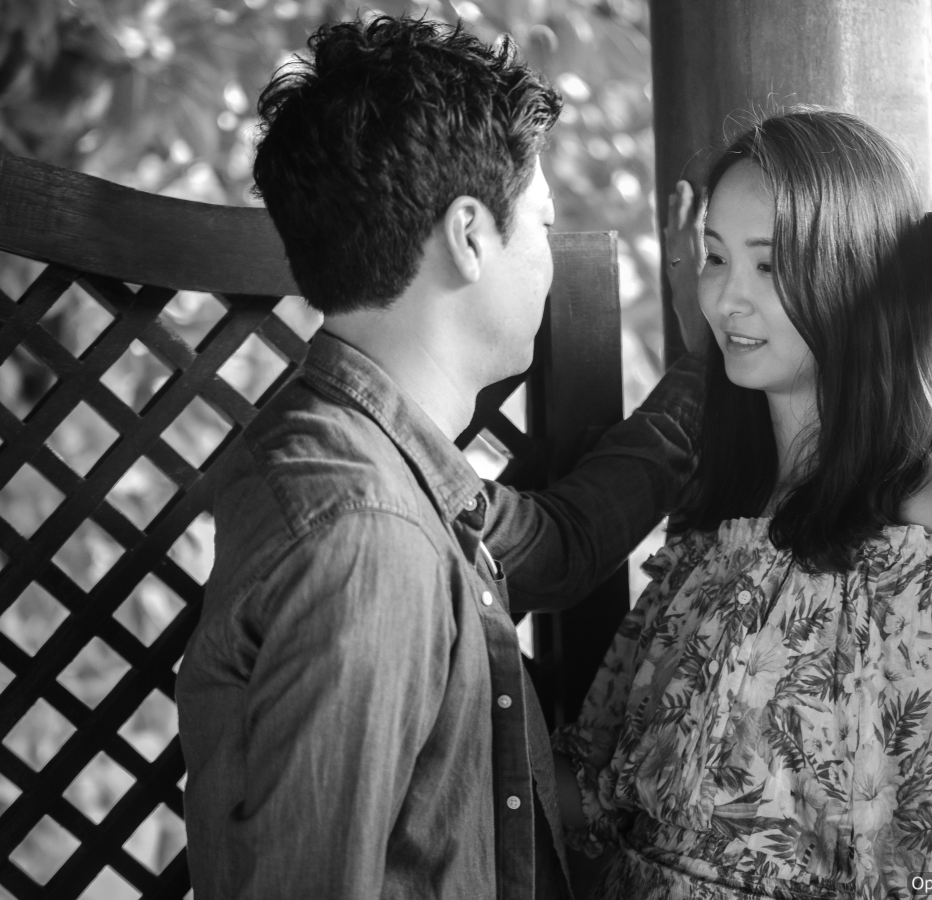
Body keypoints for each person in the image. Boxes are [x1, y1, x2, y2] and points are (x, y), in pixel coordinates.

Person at [174, 16, 705, 900]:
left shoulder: (373, 462)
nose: (546, 257)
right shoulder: (365, 535)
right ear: (468, 235)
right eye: (539, 223)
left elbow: (561, 541)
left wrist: (705, 364)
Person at [552, 109, 932, 900]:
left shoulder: (931, 513)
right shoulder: (716, 509)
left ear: (854, 275)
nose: (727, 299)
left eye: (769, 266)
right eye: (715, 257)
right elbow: (606, 793)